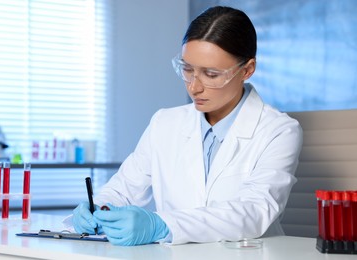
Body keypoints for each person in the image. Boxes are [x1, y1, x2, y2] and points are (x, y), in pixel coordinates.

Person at [71, 6, 303, 246]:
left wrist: (162, 225)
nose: (194, 87)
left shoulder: (279, 131)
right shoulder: (164, 123)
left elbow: (254, 212)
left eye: (211, 74)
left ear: (247, 70)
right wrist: (99, 207)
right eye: (187, 69)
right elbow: (123, 189)